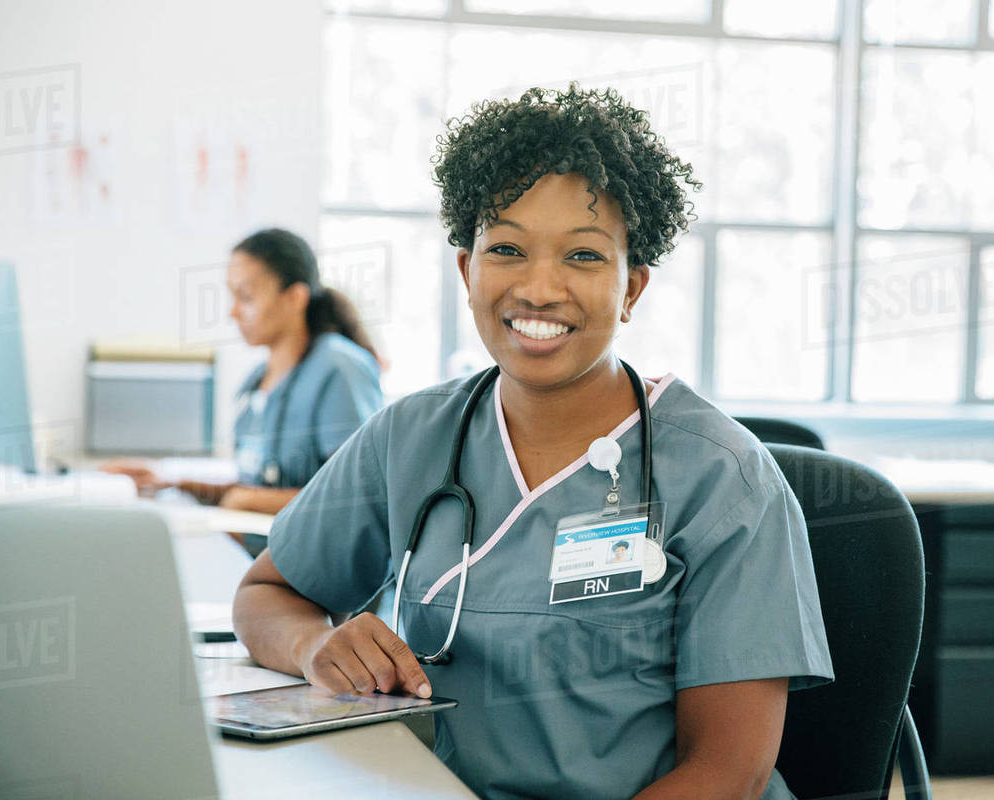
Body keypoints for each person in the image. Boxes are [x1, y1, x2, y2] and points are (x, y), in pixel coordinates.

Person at [233, 86, 833, 799]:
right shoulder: (412, 434)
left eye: (582, 256)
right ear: (468, 271)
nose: (539, 288)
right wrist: (315, 645)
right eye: (508, 249)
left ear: (631, 288)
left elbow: (729, 771)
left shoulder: (721, 477)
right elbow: (267, 593)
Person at [104, 228, 385, 556]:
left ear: (295, 298)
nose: (233, 312)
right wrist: (172, 480)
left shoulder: (338, 368)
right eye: (232, 296)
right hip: (261, 560)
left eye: (246, 297)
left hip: (325, 581)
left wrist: (248, 501)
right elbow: (260, 488)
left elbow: (358, 498)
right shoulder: (255, 383)